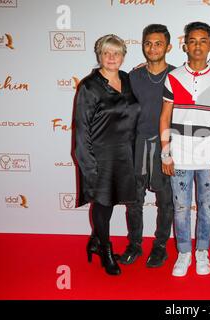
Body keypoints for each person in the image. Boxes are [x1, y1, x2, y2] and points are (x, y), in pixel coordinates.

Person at [160, 21, 210, 277]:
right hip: (179, 156)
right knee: (180, 207)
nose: (198, 46)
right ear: (185, 45)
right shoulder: (174, 77)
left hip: (208, 155)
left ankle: (202, 252)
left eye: (203, 41)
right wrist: (166, 153)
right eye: (193, 41)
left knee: (207, 206)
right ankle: (184, 253)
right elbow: (165, 118)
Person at [73, 34, 141, 275]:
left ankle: (94, 240)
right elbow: (81, 132)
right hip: (100, 157)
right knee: (103, 205)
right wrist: (89, 168)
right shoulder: (89, 86)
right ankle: (106, 249)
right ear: (99, 55)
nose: (112, 57)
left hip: (126, 155)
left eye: (117, 53)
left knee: (111, 202)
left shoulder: (129, 79)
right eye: (106, 53)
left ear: (123, 56)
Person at [118, 24, 176, 268]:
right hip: (136, 145)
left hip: (166, 146)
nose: (152, 48)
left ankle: (161, 246)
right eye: (148, 43)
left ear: (168, 47)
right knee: (134, 200)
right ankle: (135, 244)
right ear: (143, 46)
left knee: (165, 200)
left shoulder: (177, 75)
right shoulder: (133, 76)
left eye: (158, 43)